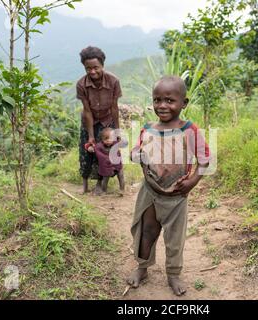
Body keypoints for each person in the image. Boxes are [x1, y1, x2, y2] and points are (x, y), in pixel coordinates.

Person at [127, 76, 211, 296]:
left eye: (169, 100)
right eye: (157, 100)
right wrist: (136, 154)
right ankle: (142, 267)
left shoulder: (190, 130)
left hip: (176, 197)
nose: (162, 105)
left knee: (174, 239)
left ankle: (173, 274)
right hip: (150, 193)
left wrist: (192, 181)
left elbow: (204, 160)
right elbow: (137, 152)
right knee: (147, 231)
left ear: (184, 102)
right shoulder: (147, 129)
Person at [76, 46, 122, 195]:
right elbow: (87, 111)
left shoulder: (113, 81)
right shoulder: (81, 84)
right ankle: (85, 185)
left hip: (107, 121)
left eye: (96, 67)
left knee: (104, 153)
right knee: (87, 152)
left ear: (102, 65)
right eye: (88, 68)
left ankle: (100, 184)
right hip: (89, 121)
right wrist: (90, 134)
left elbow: (114, 108)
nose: (92, 71)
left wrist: (117, 130)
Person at [87, 127, 126, 194]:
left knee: (121, 176)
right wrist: (89, 148)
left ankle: (122, 190)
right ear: (102, 139)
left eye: (110, 138)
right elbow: (92, 147)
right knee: (105, 178)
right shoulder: (99, 146)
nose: (108, 140)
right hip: (106, 166)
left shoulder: (115, 143)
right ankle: (104, 190)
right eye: (105, 139)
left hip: (117, 165)